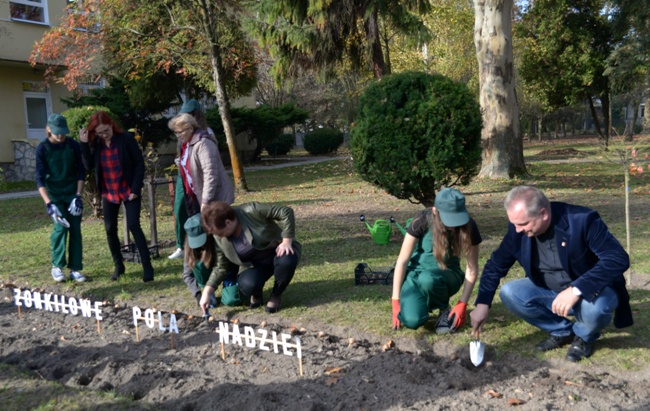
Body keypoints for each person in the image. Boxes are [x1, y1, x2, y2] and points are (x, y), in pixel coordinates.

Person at [470, 186, 632, 362]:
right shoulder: (518, 230)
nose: (517, 230)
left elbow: (617, 258)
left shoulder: (582, 221)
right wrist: (483, 303)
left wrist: (576, 289)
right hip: (549, 289)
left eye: (523, 224)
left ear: (543, 214)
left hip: (591, 292)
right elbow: (495, 265)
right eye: (514, 224)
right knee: (510, 292)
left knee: (596, 309)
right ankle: (562, 330)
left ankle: (584, 337)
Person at [391, 187, 481, 334]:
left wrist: (462, 303)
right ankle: (423, 304)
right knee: (412, 321)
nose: (453, 225)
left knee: (428, 279)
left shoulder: (469, 225)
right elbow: (402, 261)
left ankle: (443, 309)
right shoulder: (421, 219)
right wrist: (396, 300)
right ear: (435, 211)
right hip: (415, 276)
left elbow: (472, 268)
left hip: (447, 275)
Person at [79, 111, 154, 282]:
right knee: (109, 229)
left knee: (134, 225)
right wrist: (84, 144)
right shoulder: (96, 143)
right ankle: (119, 266)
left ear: (111, 125)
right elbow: (88, 165)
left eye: (106, 130)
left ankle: (147, 267)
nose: (104, 135)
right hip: (109, 191)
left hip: (128, 189)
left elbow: (138, 163)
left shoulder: (126, 139)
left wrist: (136, 188)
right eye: (99, 132)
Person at [200, 201, 301, 314]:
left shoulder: (251, 210)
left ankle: (276, 295)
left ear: (228, 222)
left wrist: (287, 240)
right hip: (254, 264)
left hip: (277, 251)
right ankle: (256, 293)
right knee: (247, 286)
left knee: (287, 260)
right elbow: (221, 267)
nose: (218, 236)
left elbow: (285, 212)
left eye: (219, 233)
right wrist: (207, 292)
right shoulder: (218, 238)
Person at [35, 114, 86, 283]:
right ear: (49, 129)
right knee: (60, 228)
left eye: (63, 132)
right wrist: (49, 204)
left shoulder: (72, 145)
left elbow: (81, 172)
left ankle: (75, 268)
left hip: (72, 193)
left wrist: (78, 196)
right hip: (54, 195)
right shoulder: (43, 148)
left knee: (75, 230)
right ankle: (57, 266)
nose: (60, 136)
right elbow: (40, 179)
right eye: (57, 132)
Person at [168, 99, 217, 259]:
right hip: (184, 176)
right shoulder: (183, 133)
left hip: (200, 178)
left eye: (188, 115)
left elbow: (210, 165)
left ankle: (206, 245)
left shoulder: (205, 134)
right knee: (180, 208)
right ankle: (181, 245)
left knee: (202, 211)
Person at [167, 112, 234, 218]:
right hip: (198, 195)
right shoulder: (188, 144)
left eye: (180, 132)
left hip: (215, 198)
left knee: (219, 231)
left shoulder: (204, 143)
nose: (178, 136)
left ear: (190, 128)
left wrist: (205, 201)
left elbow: (210, 174)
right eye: (176, 133)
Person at [182, 214, 220, 308]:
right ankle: (209, 293)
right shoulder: (189, 249)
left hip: (225, 271)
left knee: (232, 299)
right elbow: (187, 275)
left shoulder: (218, 239)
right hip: (210, 273)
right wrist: (198, 294)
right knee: (199, 265)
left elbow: (222, 266)